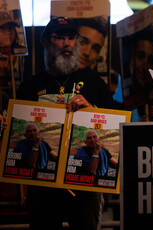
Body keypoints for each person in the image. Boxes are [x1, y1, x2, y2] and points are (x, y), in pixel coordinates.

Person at [16, 17, 119, 230]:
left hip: (85, 187)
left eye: (71, 38)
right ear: (45, 42)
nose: (66, 43)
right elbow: (19, 139)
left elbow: (115, 128)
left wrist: (91, 110)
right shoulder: (30, 86)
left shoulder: (94, 83)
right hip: (42, 187)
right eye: (59, 37)